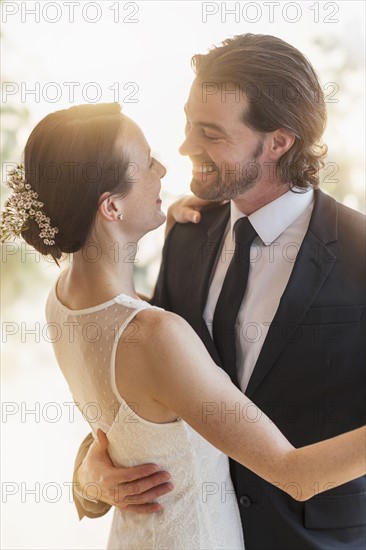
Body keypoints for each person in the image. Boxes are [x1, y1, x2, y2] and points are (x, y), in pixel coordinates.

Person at [0, 98, 365, 550]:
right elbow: (294, 473)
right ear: (111, 207)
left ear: (279, 142)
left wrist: (91, 476)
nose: (165, 169)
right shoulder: (155, 332)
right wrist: (87, 481)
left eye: (210, 132)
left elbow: (132, 421)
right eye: (145, 162)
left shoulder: (62, 300)